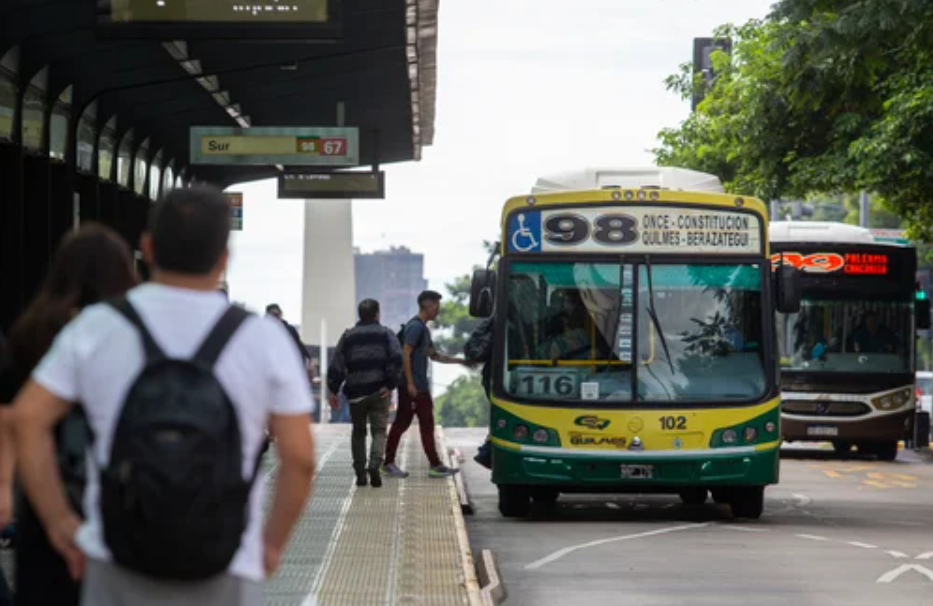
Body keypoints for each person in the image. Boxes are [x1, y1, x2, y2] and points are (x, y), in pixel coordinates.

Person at [11, 186, 317, 606]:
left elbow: (27, 419)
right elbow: (299, 457)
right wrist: (270, 545)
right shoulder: (261, 337)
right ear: (224, 258)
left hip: (115, 561)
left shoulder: (97, 326)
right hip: (227, 567)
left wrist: (59, 522)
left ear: (148, 247)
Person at [3, 223, 138, 606]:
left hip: (42, 493)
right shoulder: (132, 336)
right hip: (117, 498)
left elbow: (11, 414)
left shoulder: (29, 332)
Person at [382, 290, 470, 479]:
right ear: (428, 306)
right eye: (436, 306)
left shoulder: (423, 329)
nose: (438, 310)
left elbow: (435, 356)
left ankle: (433, 464)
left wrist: (460, 361)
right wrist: (410, 383)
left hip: (417, 386)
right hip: (414, 387)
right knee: (405, 424)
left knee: (420, 424)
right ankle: (391, 463)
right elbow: (406, 353)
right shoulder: (416, 327)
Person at [327, 299, 403, 487]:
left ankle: (360, 474)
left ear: (360, 314)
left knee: (358, 433)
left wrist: (333, 390)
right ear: (377, 314)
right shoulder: (386, 334)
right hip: (379, 391)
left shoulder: (348, 336)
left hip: (356, 393)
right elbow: (397, 357)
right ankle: (374, 464)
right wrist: (390, 384)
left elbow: (337, 363)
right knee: (379, 431)